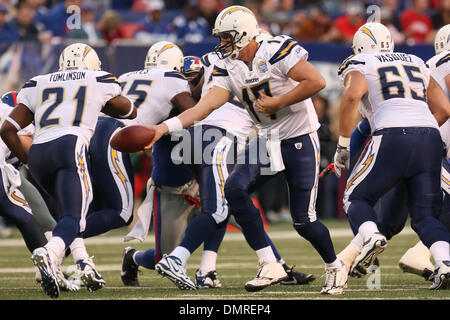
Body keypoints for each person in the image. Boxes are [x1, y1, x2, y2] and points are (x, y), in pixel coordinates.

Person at [146, 6, 346, 295]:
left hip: (300, 137)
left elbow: (316, 82)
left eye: (227, 37)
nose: (223, 43)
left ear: (243, 33)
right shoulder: (228, 65)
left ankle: (335, 266)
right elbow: (204, 107)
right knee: (235, 189)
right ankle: (269, 263)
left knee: (304, 221)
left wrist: (279, 102)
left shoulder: (275, 48)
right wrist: (162, 129)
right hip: (267, 138)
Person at [0, 43, 137, 298]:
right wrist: (102, 104)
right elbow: (129, 110)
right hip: (70, 146)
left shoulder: (37, 81)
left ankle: (83, 262)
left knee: (69, 216)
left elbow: (7, 129)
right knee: (75, 217)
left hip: (39, 153)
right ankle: (50, 254)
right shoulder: (97, 78)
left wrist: (27, 161)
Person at [333, 22, 450, 290]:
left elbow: (352, 97)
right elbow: (444, 108)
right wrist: (418, 131)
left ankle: (372, 236)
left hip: (391, 134)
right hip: (430, 136)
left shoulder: (361, 61)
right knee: (425, 217)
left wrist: (342, 144)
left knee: (355, 197)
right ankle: (444, 263)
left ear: (360, 46)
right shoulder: (415, 60)